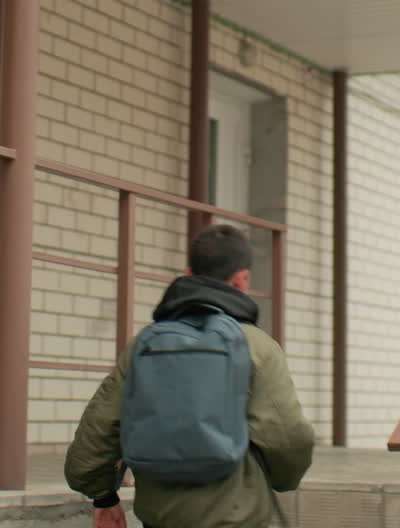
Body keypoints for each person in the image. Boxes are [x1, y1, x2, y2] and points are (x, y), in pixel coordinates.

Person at [64, 224, 315, 528]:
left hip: (161, 515)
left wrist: (103, 497)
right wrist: (280, 480)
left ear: (188, 272)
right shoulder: (256, 346)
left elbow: (98, 430)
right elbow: (289, 438)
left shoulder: (146, 344)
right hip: (239, 515)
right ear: (243, 279)